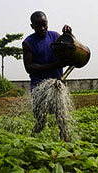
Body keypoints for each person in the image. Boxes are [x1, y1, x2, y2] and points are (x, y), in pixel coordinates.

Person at [22, 11, 72, 141]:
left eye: (45, 25)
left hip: (57, 85)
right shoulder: (28, 43)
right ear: (32, 26)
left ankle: (66, 143)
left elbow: (71, 48)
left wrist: (69, 35)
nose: (43, 29)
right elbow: (29, 68)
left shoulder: (55, 36)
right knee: (41, 121)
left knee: (62, 119)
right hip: (39, 87)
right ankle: (32, 142)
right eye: (39, 26)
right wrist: (54, 65)